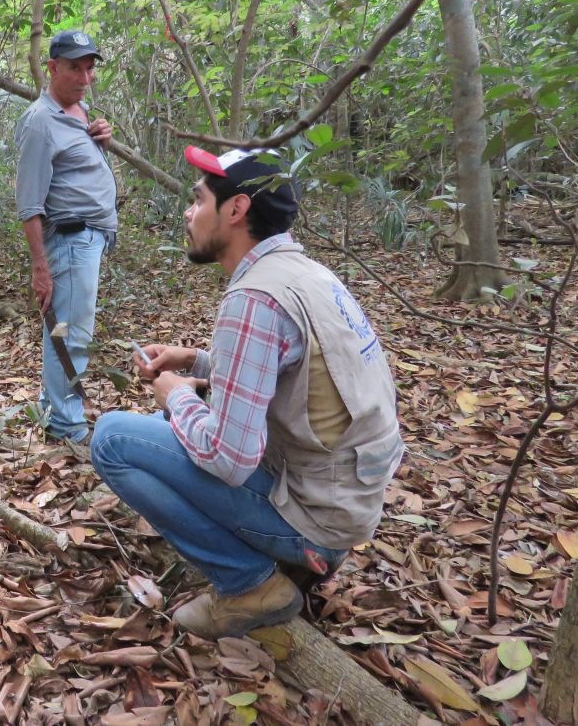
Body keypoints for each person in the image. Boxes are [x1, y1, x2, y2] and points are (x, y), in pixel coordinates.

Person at [91, 147, 403, 639]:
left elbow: (228, 457)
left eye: (198, 200)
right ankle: (282, 561)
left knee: (112, 438)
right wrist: (194, 362)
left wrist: (174, 393)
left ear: (235, 210)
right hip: (343, 504)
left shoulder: (253, 299)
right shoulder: (306, 276)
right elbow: (294, 379)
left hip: (315, 523)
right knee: (160, 429)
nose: (189, 214)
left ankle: (249, 584)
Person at [14, 29, 117, 442]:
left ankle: (51, 406)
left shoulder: (79, 112)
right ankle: (67, 425)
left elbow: (77, 172)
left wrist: (101, 142)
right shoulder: (40, 122)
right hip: (70, 244)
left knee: (62, 331)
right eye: (75, 68)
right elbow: (30, 202)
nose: (84, 77)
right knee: (71, 336)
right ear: (53, 68)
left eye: (89, 68)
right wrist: (41, 267)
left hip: (87, 242)